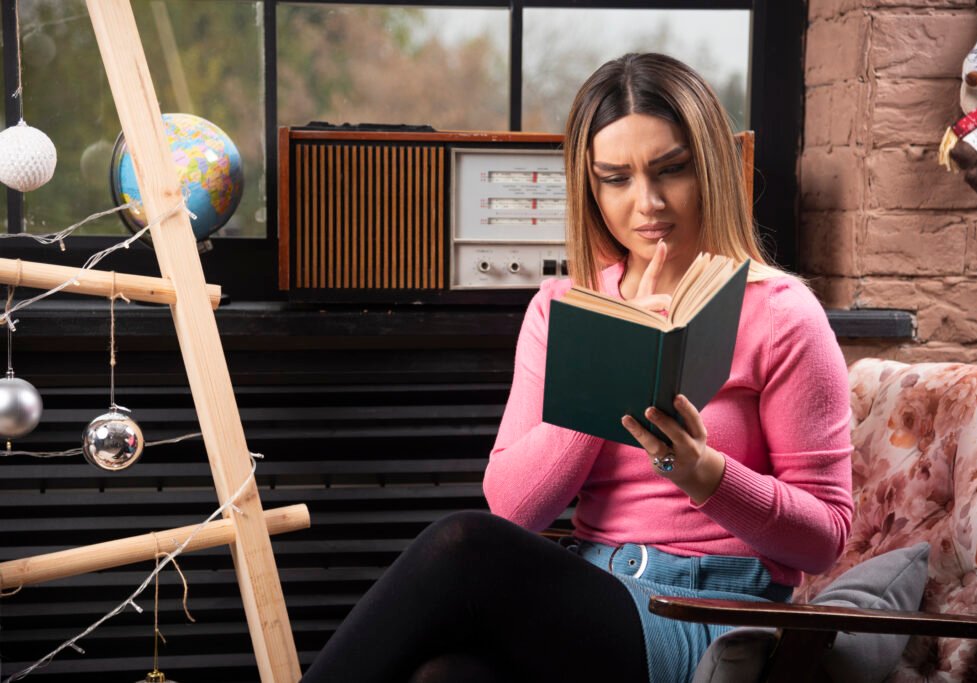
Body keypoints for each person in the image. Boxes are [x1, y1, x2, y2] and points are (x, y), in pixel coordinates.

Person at [301, 52, 853, 683]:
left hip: (714, 614)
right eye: (615, 178)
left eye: (671, 170)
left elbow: (825, 537)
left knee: (462, 547)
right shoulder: (560, 309)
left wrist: (708, 475)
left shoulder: (782, 313)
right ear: (589, 187)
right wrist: (611, 367)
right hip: (596, 591)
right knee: (447, 676)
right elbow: (512, 508)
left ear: (711, 168)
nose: (646, 203)